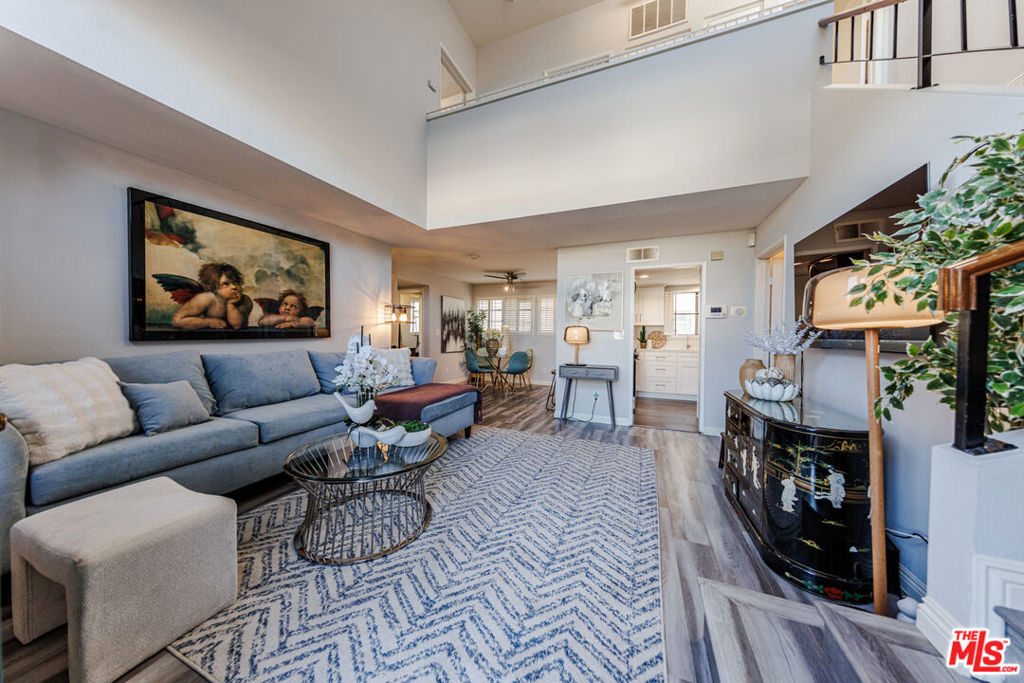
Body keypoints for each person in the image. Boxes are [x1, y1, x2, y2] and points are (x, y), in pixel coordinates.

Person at [171, 262, 253, 330]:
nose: (234, 287)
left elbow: (237, 326)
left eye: (236, 282)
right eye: (226, 284)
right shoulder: (206, 298)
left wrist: (231, 305)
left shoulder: (245, 300)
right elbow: (177, 321)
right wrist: (209, 322)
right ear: (214, 288)